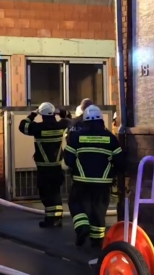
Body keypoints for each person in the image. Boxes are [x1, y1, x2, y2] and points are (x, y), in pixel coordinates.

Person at [64, 105, 126, 247]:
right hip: (103, 183)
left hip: (81, 181)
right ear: (101, 120)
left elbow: (68, 159)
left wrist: (75, 168)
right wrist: (115, 173)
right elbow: (120, 162)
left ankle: (82, 228)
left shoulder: (76, 138)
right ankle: (97, 241)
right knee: (98, 210)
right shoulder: (111, 139)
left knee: (76, 204)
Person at [18, 102, 70, 228]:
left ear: (41, 114)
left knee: (46, 193)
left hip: (44, 168)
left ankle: (51, 219)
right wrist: (61, 112)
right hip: (56, 166)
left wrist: (33, 114)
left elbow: (23, 126)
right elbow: (69, 119)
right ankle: (56, 218)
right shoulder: (61, 126)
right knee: (55, 192)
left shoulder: (37, 128)